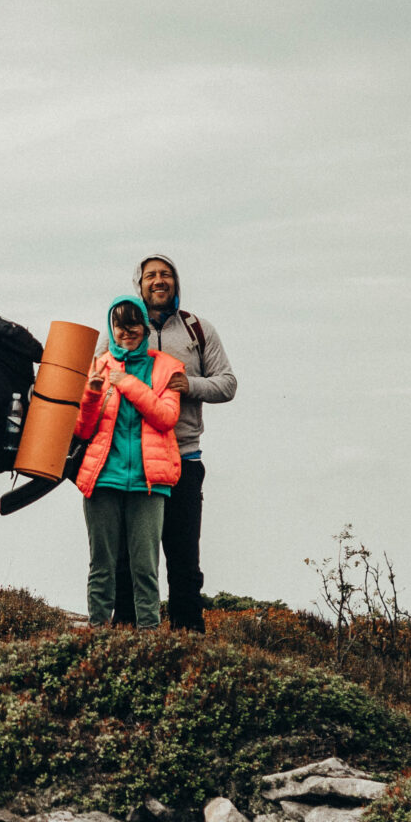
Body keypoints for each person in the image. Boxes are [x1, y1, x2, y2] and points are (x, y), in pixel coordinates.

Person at [112, 254, 238, 631]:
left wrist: (191, 385)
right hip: (132, 459)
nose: (159, 280)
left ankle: (188, 634)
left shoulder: (199, 330)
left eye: (165, 274)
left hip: (183, 457)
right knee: (127, 557)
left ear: (176, 282)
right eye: (150, 275)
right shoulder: (120, 324)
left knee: (183, 556)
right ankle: (125, 632)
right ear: (140, 284)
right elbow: (100, 375)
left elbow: (228, 383)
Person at [74, 296, 185, 628]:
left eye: (134, 323)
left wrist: (126, 382)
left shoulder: (167, 366)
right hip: (102, 479)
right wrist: (93, 393)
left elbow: (167, 417)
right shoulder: (98, 365)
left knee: (145, 568)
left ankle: (149, 640)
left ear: (145, 327)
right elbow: (83, 429)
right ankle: (96, 634)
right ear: (112, 328)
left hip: (149, 482)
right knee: (102, 565)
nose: (127, 332)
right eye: (120, 325)